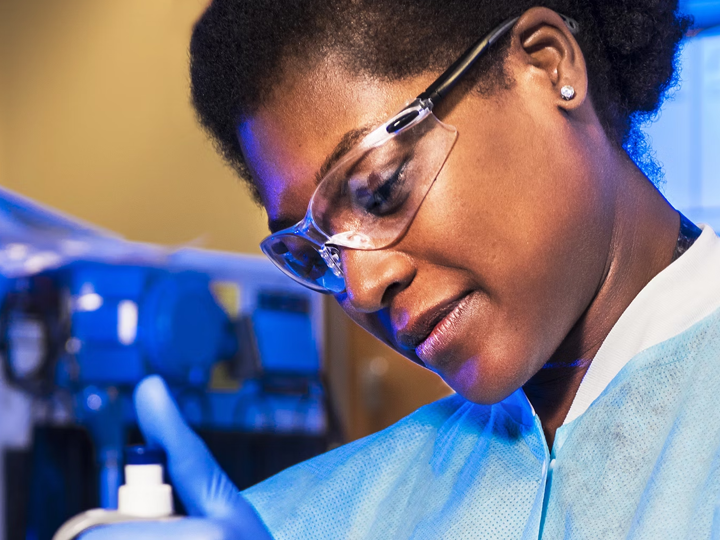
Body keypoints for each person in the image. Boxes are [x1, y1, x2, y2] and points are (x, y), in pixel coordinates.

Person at [84, 0, 720, 538]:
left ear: (547, 65)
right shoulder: (305, 519)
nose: (361, 288)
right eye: (320, 251)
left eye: (382, 189)